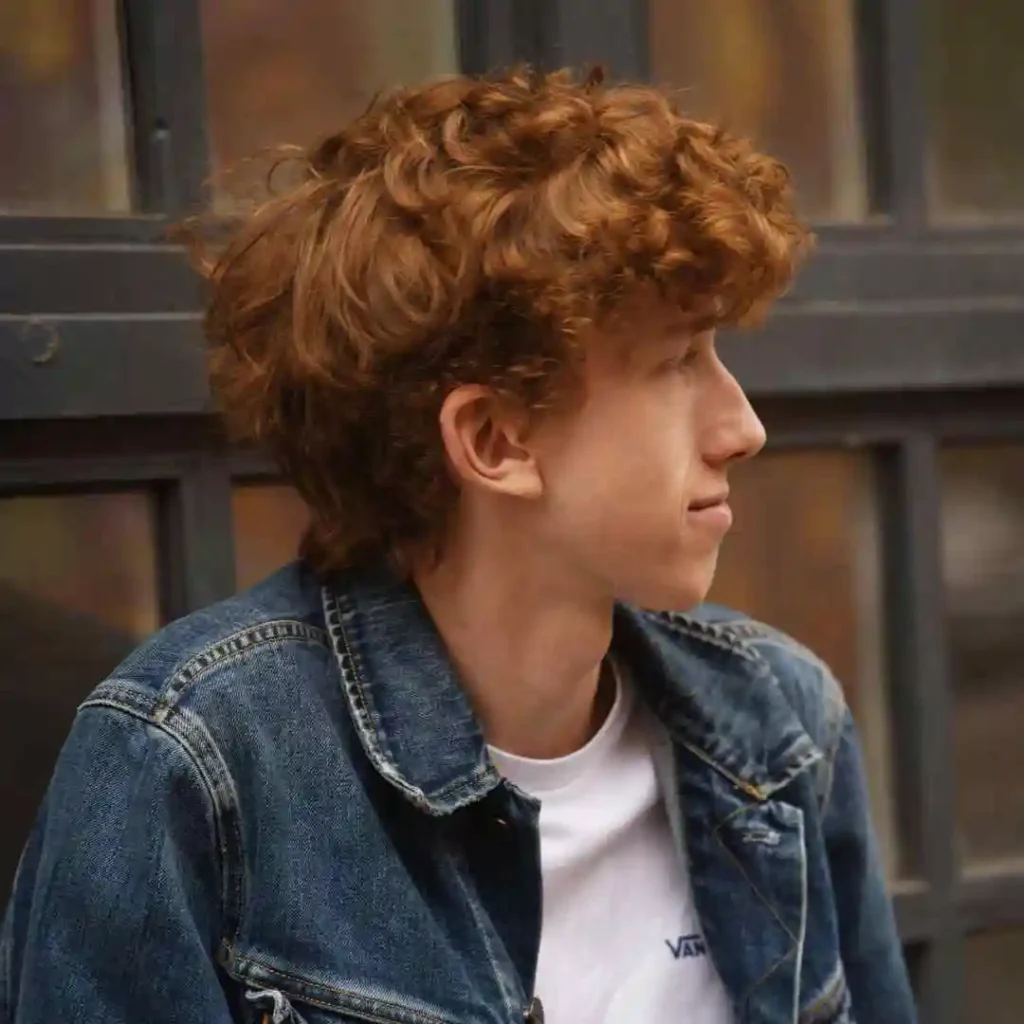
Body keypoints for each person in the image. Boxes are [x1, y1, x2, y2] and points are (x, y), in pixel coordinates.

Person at [1, 67, 917, 1023]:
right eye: (677, 361)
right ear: (492, 441)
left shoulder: (781, 721)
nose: (743, 427)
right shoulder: (194, 765)